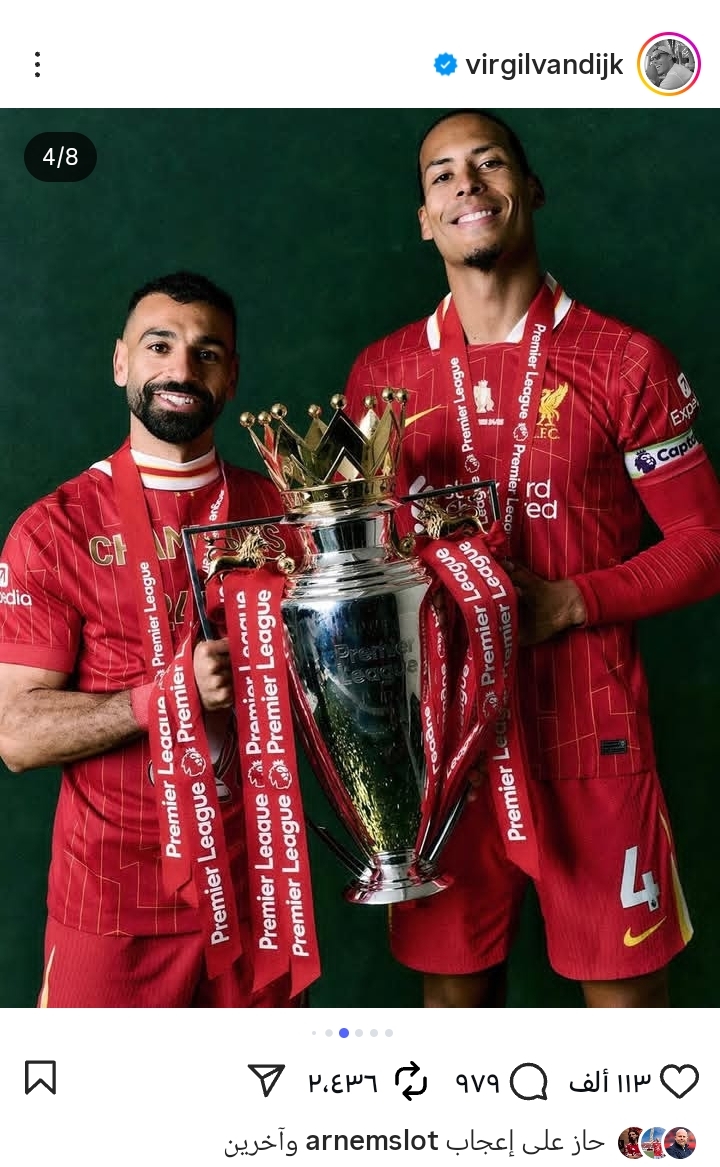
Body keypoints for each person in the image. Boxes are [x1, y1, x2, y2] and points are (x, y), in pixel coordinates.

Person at [343, 110, 720, 1009]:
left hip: (591, 737)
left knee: (630, 1025)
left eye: (489, 163)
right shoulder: (381, 375)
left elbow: (706, 547)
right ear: (424, 219)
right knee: (455, 1015)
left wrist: (570, 603)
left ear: (530, 188)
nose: (466, 185)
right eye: (442, 175)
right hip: (445, 750)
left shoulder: (625, 361)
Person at [0, 271, 302, 1008]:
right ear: (120, 362)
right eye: (159, 346)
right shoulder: (55, 528)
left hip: (262, 897)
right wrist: (165, 696)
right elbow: (16, 733)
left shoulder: (285, 510)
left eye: (206, 353)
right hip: (112, 908)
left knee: (267, 1093)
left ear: (232, 376)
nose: (181, 369)